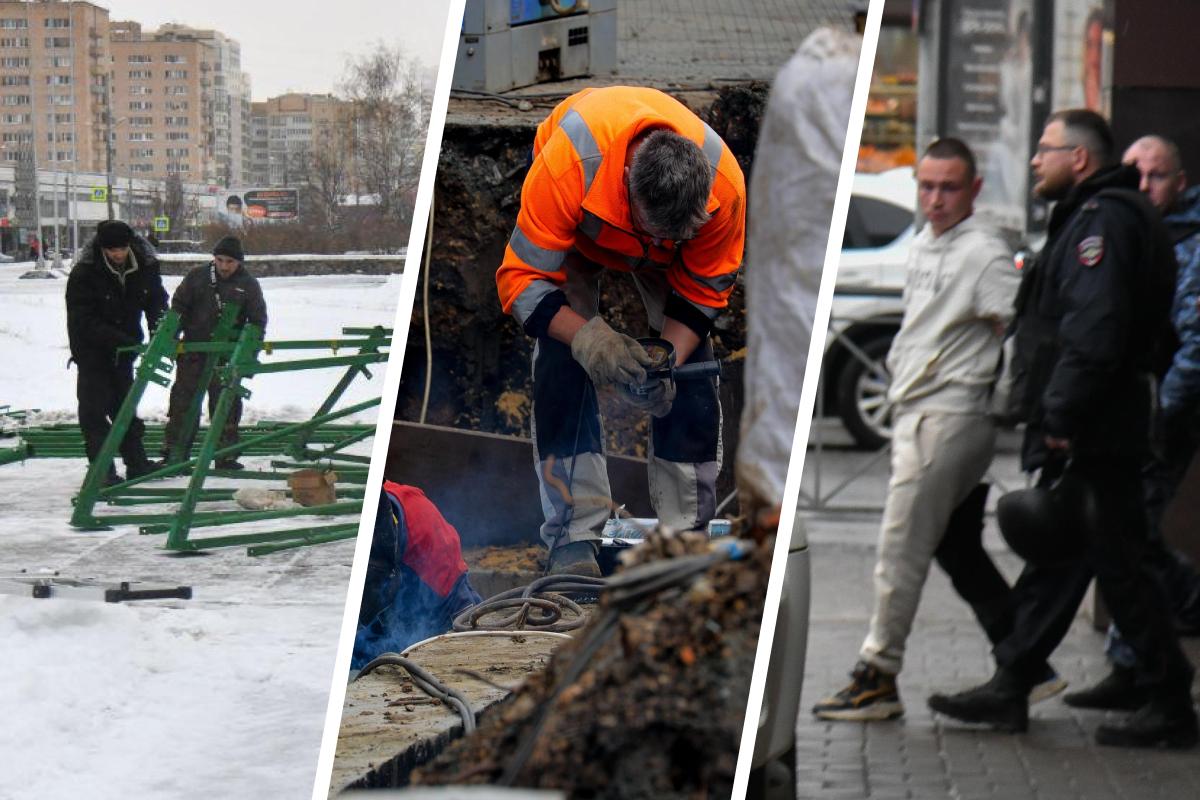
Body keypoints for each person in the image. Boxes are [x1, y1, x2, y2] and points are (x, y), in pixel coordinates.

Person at [928, 110, 1197, 749]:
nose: (1034, 160)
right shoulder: (1112, 213)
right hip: (1108, 421)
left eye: (1045, 149)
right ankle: (1015, 681)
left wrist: (1061, 416)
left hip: (1099, 427)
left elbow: (1094, 329)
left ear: (1079, 159)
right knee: (1074, 556)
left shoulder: (1101, 221)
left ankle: (1167, 698)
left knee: (1119, 563)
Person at [811, 138, 1036, 721]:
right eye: (927, 186)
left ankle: (876, 676)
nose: (935, 199)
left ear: (974, 189)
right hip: (922, 410)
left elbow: (1019, 333)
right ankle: (1028, 666)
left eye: (949, 187)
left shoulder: (982, 253)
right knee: (957, 548)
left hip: (950, 416)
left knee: (899, 549)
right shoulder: (927, 243)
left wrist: (998, 401)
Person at [497, 86, 745, 576]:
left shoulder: (725, 194)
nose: (654, 244)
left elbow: (703, 295)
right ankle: (573, 536)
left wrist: (665, 361)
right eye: (653, 231)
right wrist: (591, 338)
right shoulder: (568, 165)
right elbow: (522, 282)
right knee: (561, 356)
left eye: (671, 235)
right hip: (583, 227)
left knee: (689, 374)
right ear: (630, 180)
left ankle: (685, 537)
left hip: (672, 258)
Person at [1062, 135, 1200, 710]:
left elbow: (1193, 347)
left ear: (1181, 183)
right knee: (1124, 542)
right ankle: (1135, 663)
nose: (1144, 185)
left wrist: (1159, 417)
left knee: (1131, 546)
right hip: (1126, 418)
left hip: (1158, 421)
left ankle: (1145, 672)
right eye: (1135, 173)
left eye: (1158, 175)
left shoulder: (1188, 243)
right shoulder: (1135, 230)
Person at [65, 219, 168, 484]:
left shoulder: (145, 265)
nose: (118, 255)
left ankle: (137, 463)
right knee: (94, 412)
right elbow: (83, 320)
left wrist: (160, 331)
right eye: (112, 251)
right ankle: (102, 470)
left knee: (125, 406)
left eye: (122, 249)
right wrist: (119, 339)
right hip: (92, 353)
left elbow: (156, 300)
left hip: (125, 351)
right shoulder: (85, 272)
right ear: (102, 248)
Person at [163, 235, 267, 469]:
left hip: (227, 355)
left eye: (229, 261)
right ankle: (174, 452)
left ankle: (225, 454)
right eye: (219, 260)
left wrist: (248, 353)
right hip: (193, 351)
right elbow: (178, 308)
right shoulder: (197, 277)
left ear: (238, 262)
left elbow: (257, 321)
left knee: (226, 404)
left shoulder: (248, 285)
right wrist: (170, 337)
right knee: (182, 403)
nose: (224, 266)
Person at [353, 481, 482, 668]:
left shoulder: (393, 540)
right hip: (397, 594)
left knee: (463, 655)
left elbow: (381, 580)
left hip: (442, 599)